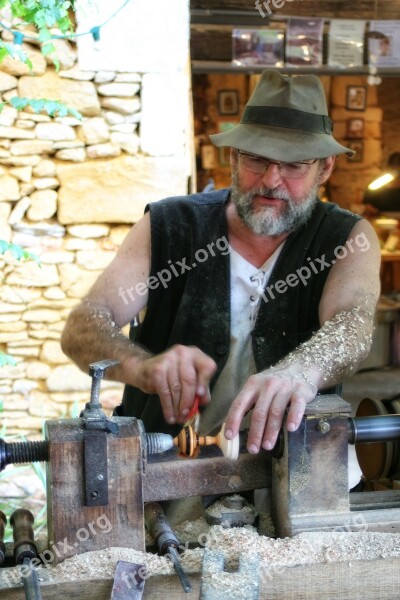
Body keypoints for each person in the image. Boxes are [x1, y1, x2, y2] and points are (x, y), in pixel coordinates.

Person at [61, 70, 380, 462]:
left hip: (300, 474)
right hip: (166, 473)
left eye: (295, 164)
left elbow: (353, 325)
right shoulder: (169, 225)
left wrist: (301, 369)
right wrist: (142, 366)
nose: (271, 180)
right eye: (257, 159)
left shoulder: (346, 238)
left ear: (325, 168)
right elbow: (82, 326)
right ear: (233, 156)